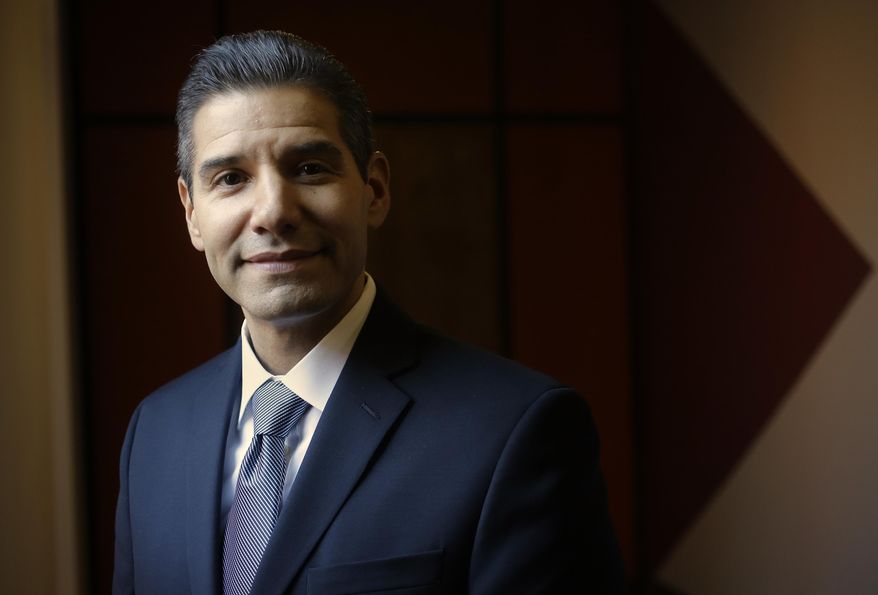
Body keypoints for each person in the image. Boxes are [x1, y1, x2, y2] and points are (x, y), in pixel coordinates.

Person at [113, 30, 624, 595]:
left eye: (309, 168)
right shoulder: (155, 433)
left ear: (374, 189)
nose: (274, 213)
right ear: (191, 213)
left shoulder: (516, 431)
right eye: (231, 179)